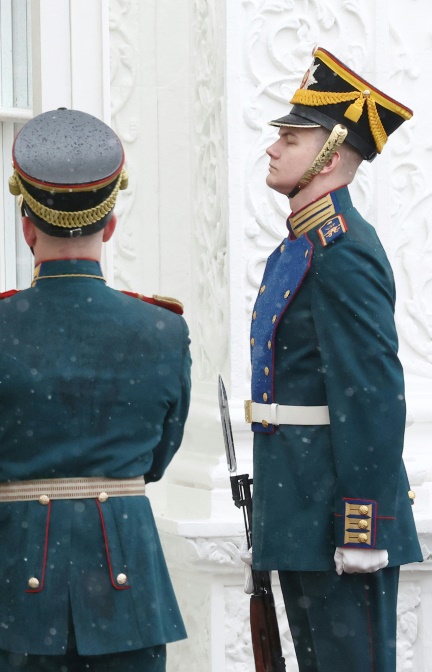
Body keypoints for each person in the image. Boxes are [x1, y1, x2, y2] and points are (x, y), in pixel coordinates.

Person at [0, 109, 192, 671]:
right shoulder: (162, 330)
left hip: (19, 588)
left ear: (26, 224)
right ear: (109, 225)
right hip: (127, 584)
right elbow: (157, 459)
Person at [246, 47, 422, 671]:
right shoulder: (303, 244)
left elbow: (371, 392)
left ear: (329, 153)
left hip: (336, 514)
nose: (273, 148)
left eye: (290, 139)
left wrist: (363, 523)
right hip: (299, 506)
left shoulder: (342, 251)